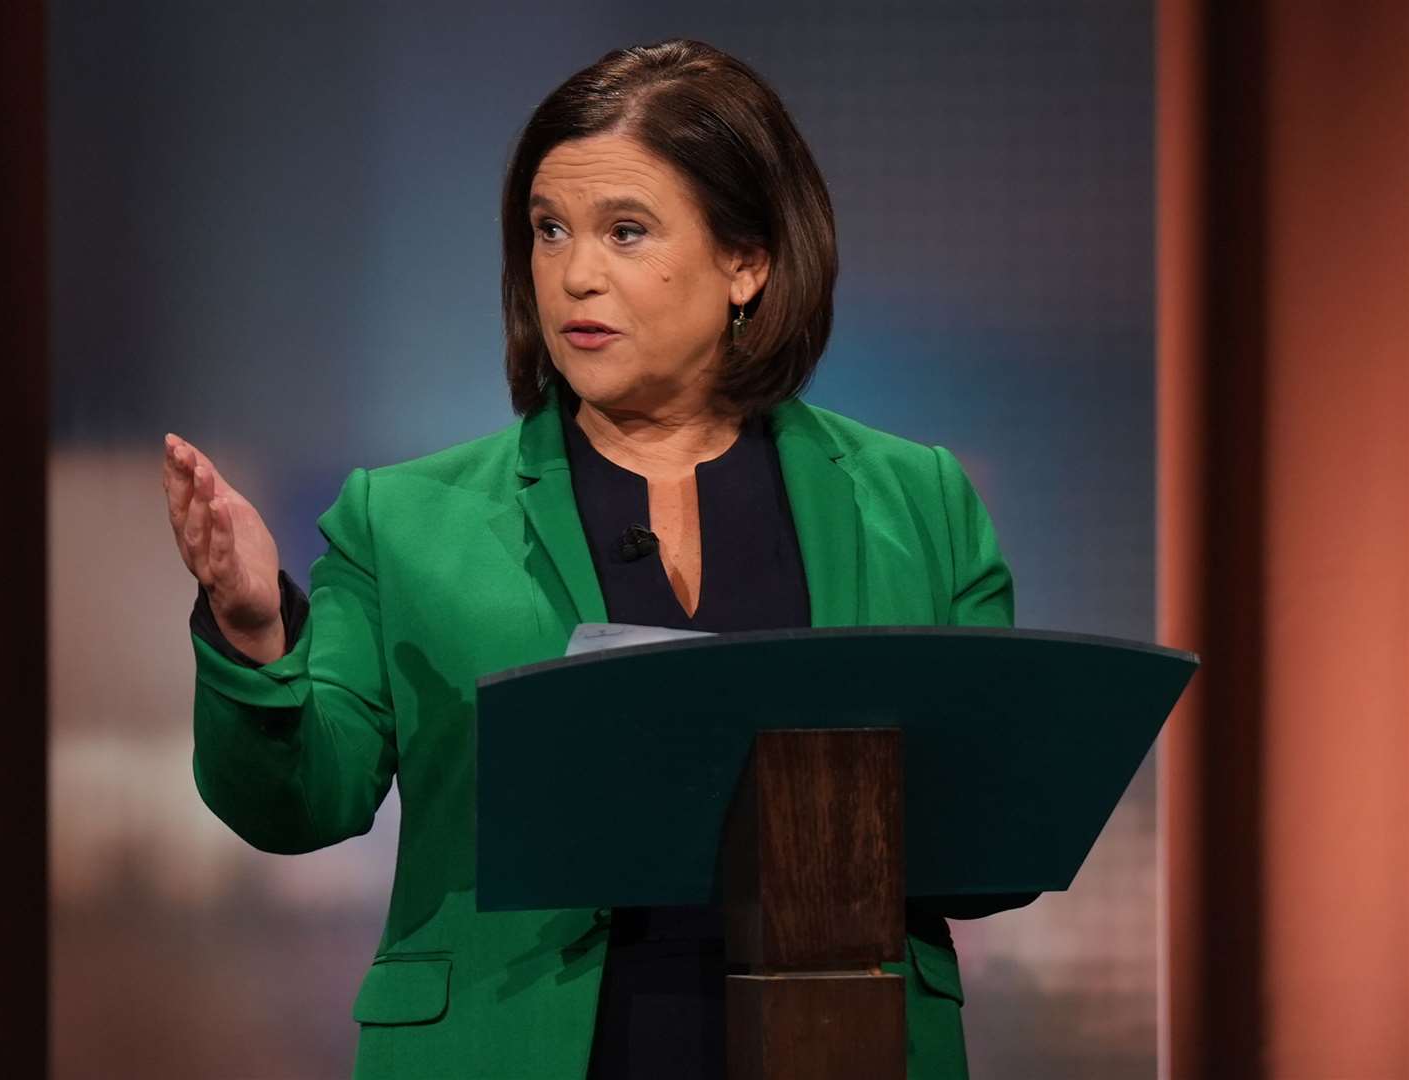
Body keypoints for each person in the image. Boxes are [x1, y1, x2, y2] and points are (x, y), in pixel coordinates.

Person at [162, 38, 1034, 1080]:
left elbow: (995, 836)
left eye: (625, 231)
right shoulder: (404, 521)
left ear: (745, 261)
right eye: (547, 231)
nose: (574, 273)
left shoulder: (917, 504)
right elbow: (300, 804)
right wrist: (255, 629)